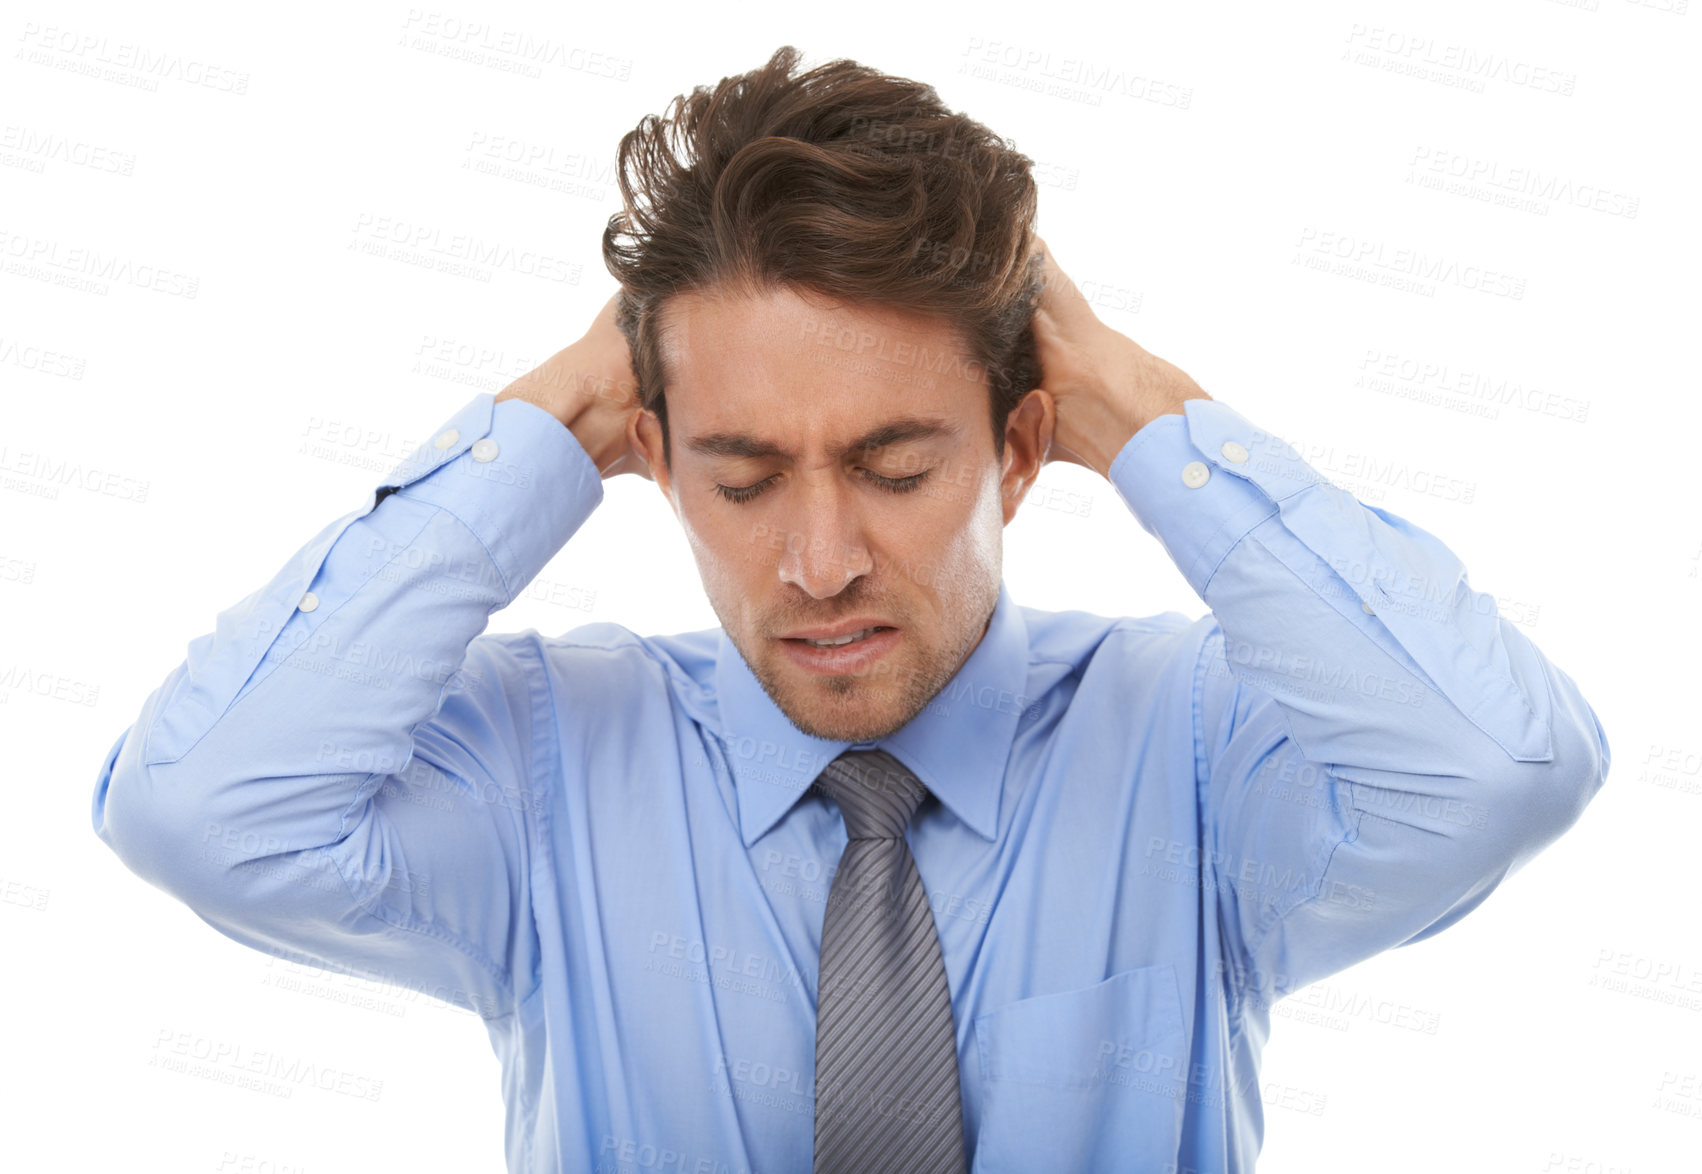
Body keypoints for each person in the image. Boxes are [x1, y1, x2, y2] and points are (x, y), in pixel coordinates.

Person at [90, 45, 1610, 1174]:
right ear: (650, 455)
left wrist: (1148, 414)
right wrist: (543, 429)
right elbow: (196, 811)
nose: (818, 560)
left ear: (1020, 448)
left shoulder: (1198, 743)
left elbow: (1497, 768)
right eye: (741, 477)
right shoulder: (544, 764)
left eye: (892, 464)